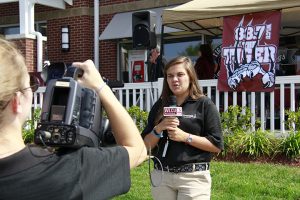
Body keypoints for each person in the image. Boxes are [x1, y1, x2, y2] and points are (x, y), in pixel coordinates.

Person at [0, 38, 147, 200]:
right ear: (16, 101)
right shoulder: (72, 169)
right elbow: (138, 151)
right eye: (30, 85)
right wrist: (100, 87)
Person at [142, 56, 223, 200]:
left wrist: (185, 137)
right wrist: (159, 128)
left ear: (190, 77)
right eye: (170, 76)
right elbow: (145, 145)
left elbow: (216, 145)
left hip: (193, 178)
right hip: (162, 177)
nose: (174, 79)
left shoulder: (204, 105)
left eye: (180, 74)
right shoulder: (160, 106)